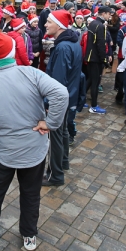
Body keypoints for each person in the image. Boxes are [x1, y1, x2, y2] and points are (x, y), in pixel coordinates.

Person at [0, 30, 68, 251]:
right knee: (31, 194)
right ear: (13, 51)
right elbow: (61, 94)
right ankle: (29, 235)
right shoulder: (31, 73)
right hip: (34, 151)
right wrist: (50, 123)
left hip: (3, 154)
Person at [43, 10, 82, 187]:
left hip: (60, 98)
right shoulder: (71, 43)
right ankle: (64, 162)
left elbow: (57, 80)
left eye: (49, 22)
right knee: (63, 131)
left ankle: (55, 175)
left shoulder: (63, 47)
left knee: (55, 136)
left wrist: (51, 103)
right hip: (69, 95)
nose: (45, 24)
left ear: (58, 25)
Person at [85, 6, 113, 114]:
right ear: (104, 13)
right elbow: (101, 44)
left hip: (90, 56)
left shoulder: (93, 23)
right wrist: (104, 59)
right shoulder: (100, 26)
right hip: (96, 58)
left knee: (90, 80)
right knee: (95, 82)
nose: (109, 16)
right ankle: (94, 106)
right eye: (109, 14)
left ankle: (81, 100)